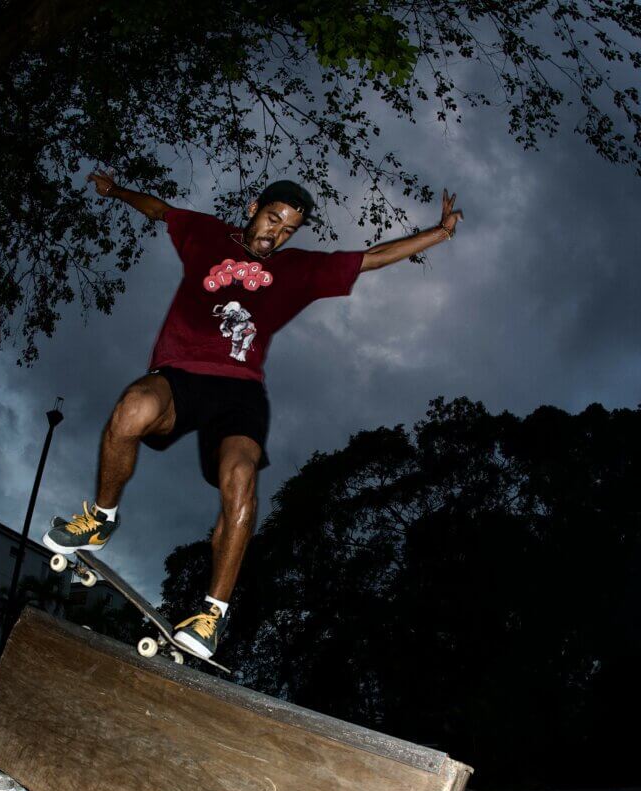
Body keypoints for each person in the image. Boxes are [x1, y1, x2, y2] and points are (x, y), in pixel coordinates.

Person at [44, 174, 463, 659]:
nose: (276, 234)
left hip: (240, 393)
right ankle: (101, 519)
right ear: (253, 207)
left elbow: (369, 259)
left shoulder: (298, 270)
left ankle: (211, 615)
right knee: (132, 409)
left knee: (240, 478)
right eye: (272, 219)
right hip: (180, 376)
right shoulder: (205, 234)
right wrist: (116, 191)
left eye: (288, 230)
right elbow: (160, 209)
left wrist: (441, 232)